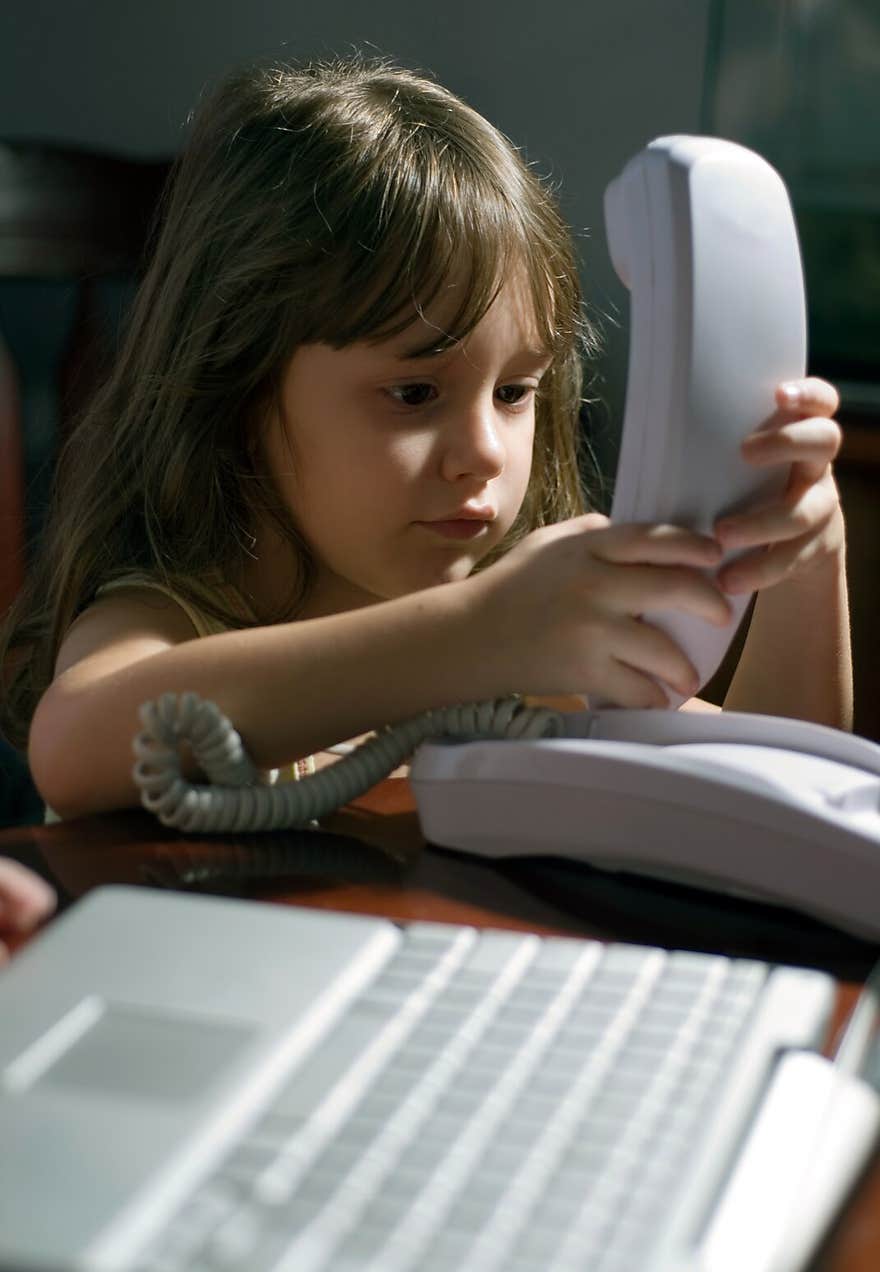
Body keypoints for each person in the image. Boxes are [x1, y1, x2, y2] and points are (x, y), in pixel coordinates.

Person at [0, 57, 849, 822]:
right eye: (414, 392)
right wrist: (475, 634)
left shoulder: (530, 652)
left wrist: (806, 572)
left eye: (516, 391)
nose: (485, 450)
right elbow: (73, 748)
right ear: (236, 390)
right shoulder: (171, 614)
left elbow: (782, 796)